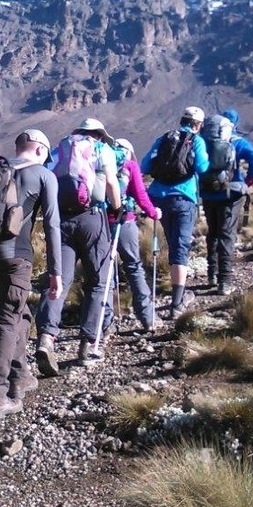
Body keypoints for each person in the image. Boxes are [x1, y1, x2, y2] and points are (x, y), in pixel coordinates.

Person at [0, 129, 63, 421]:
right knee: (9, 320)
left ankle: (20, 376)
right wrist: (56, 272)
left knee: (19, 314)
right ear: (40, 150)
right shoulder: (44, 175)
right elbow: (52, 225)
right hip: (15, 257)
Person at [34, 118, 122, 371]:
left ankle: (46, 337)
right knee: (98, 281)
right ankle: (88, 343)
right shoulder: (101, 149)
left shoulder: (60, 148)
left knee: (58, 280)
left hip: (60, 220)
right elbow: (111, 182)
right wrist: (117, 210)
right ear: (99, 134)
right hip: (92, 218)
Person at [141, 106, 210, 320]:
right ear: (198, 124)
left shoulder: (164, 138)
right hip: (183, 198)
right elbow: (202, 167)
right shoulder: (196, 141)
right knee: (180, 247)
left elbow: (145, 165)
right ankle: (177, 303)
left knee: (173, 243)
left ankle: (173, 293)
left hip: (158, 198)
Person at [199, 109, 253, 296]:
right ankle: (224, 282)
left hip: (208, 193)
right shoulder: (238, 142)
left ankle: (212, 274)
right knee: (227, 234)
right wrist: (248, 179)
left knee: (213, 232)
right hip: (230, 195)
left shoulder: (203, 141)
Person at [108, 138, 161, 332]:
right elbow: (140, 195)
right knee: (134, 267)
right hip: (125, 222)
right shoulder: (130, 165)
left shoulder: (101, 162)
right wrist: (153, 212)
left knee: (105, 271)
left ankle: (104, 323)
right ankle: (147, 317)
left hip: (102, 223)